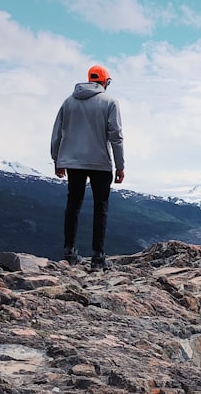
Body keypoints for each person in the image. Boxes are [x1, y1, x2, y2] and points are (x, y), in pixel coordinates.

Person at [50, 64, 125, 270]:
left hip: (73, 162)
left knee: (73, 204)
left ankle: (69, 251)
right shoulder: (109, 102)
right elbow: (116, 136)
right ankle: (97, 258)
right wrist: (120, 166)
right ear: (104, 82)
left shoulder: (69, 102)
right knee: (100, 207)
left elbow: (57, 132)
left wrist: (58, 160)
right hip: (100, 162)